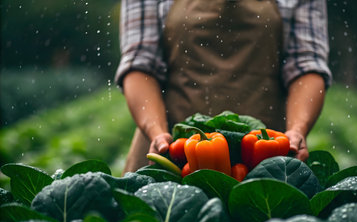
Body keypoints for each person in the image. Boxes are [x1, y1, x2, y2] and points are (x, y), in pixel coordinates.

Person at [115, 0, 332, 175]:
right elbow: (140, 64)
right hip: (172, 150)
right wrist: (157, 132)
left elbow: (306, 64)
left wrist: (297, 129)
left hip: (268, 154)